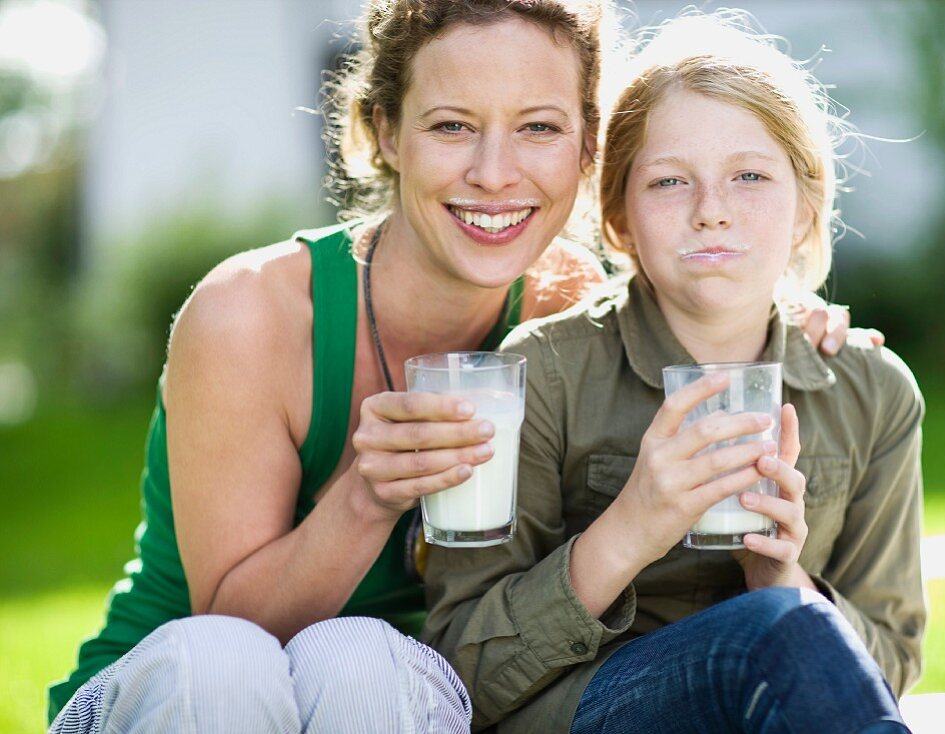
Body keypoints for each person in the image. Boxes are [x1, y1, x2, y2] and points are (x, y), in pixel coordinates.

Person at [47, 2, 863, 732]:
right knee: (224, 664)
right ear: (384, 133)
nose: (495, 173)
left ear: (587, 146)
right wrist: (368, 493)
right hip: (180, 696)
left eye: (539, 128)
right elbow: (230, 627)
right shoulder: (252, 316)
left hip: (394, 697)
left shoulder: (566, 311)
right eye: (451, 126)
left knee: (358, 659)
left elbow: (704, 296)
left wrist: (790, 318)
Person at [423, 11, 925, 734]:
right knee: (770, 630)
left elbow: (890, 665)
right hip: (596, 712)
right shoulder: (537, 377)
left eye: (749, 176)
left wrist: (781, 578)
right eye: (668, 182)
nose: (711, 213)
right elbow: (458, 673)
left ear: (806, 209)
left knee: (780, 620)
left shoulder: (872, 393)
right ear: (620, 218)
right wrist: (630, 528)